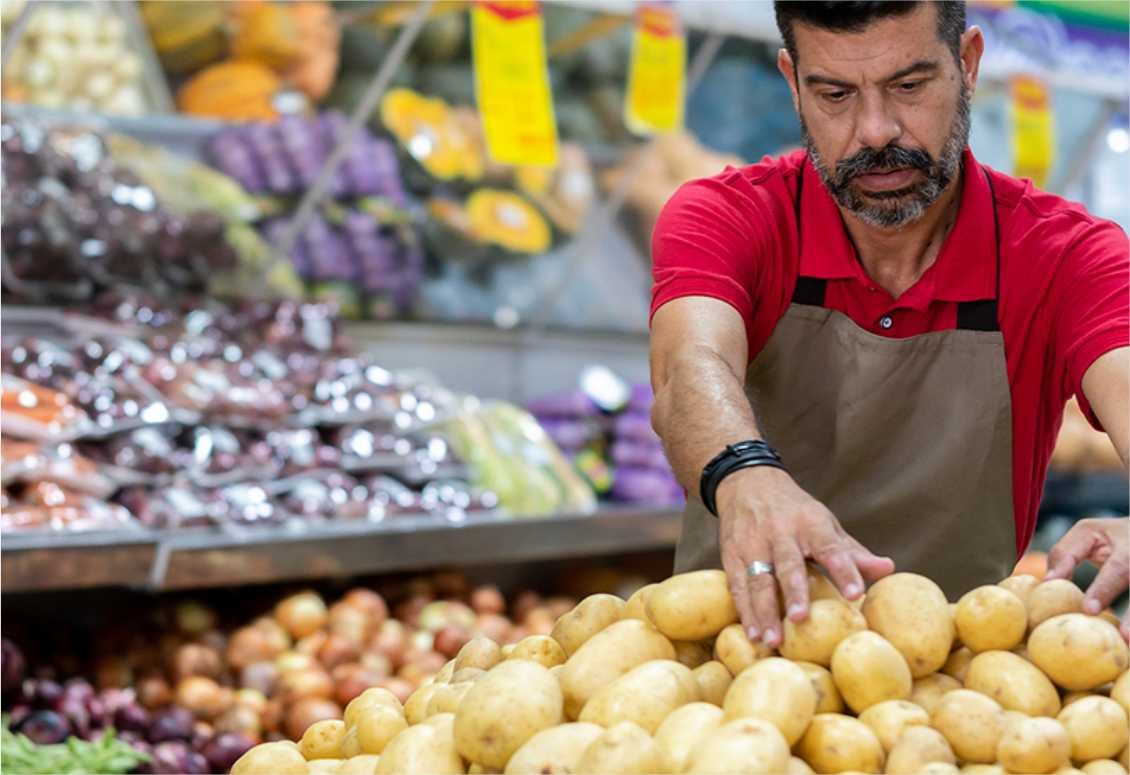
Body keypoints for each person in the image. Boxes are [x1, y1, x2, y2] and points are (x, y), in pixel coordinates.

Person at [648, 0, 1129, 647]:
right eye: (835, 94)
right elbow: (689, 368)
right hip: (732, 679)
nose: (875, 131)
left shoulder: (1067, 256)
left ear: (967, 64)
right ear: (793, 84)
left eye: (909, 86)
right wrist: (744, 474)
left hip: (958, 694)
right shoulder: (729, 217)